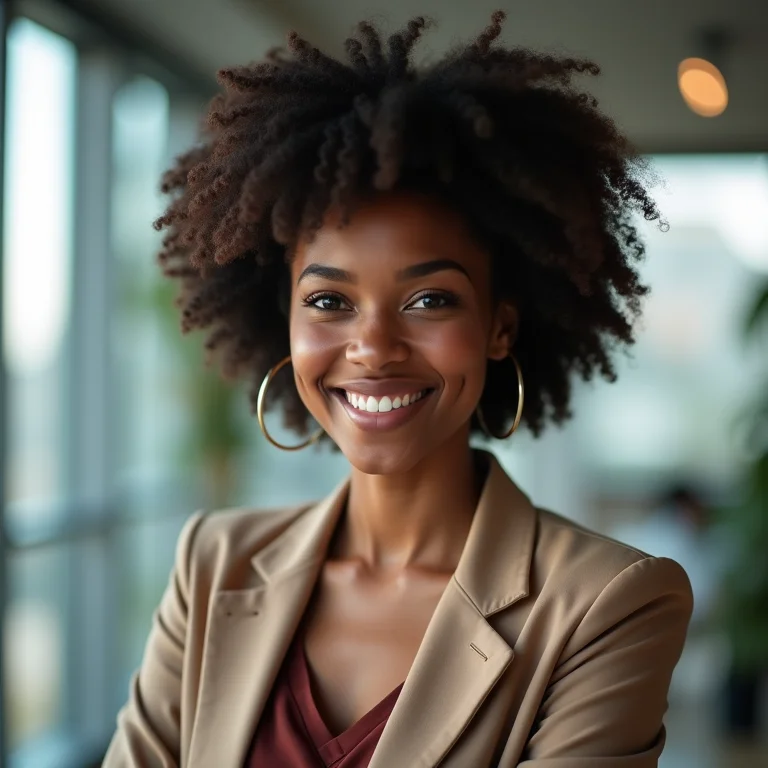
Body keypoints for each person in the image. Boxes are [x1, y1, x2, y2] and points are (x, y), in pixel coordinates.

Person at [103, 10, 693, 768]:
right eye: (328, 300)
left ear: (500, 327)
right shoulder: (214, 563)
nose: (373, 347)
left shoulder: (610, 603)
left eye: (429, 300)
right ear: (283, 322)